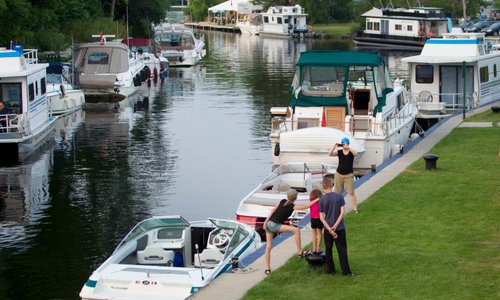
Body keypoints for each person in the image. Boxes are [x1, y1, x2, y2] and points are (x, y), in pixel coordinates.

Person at [263, 188, 319, 275]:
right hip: (275, 225)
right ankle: (300, 252)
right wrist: (318, 199)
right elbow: (306, 207)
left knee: (268, 247)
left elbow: (273, 210)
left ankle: (267, 268)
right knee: (296, 230)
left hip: (269, 224)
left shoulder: (282, 201)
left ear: (287, 196)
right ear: (295, 198)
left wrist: (265, 222)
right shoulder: (292, 206)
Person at [319, 176, 354, 276]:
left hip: (327, 229)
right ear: (332, 185)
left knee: (328, 250)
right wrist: (335, 226)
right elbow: (342, 213)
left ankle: (330, 270)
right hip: (339, 228)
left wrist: (329, 228)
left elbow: (321, 217)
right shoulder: (339, 197)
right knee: (342, 250)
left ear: (323, 187)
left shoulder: (322, 200)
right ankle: (346, 272)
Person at [328, 137, 358, 213]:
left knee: (351, 192)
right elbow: (330, 154)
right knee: (338, 193)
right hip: (339, 174)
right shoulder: (340, 152)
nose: (344, 145)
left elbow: (356, 153)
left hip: (349, 175)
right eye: (343, 144)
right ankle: (338, 208)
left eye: (345, 143)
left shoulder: (351, 152)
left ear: (348, 144)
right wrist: (334, 147)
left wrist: (348, 148)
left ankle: (355, 209)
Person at [309, 189, 323, 254]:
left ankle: (314, 248)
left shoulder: (311, 200)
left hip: (312, 219)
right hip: (319, 218)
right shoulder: (320, 201)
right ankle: (318, 248)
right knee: (319, 233)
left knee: (313, 233)